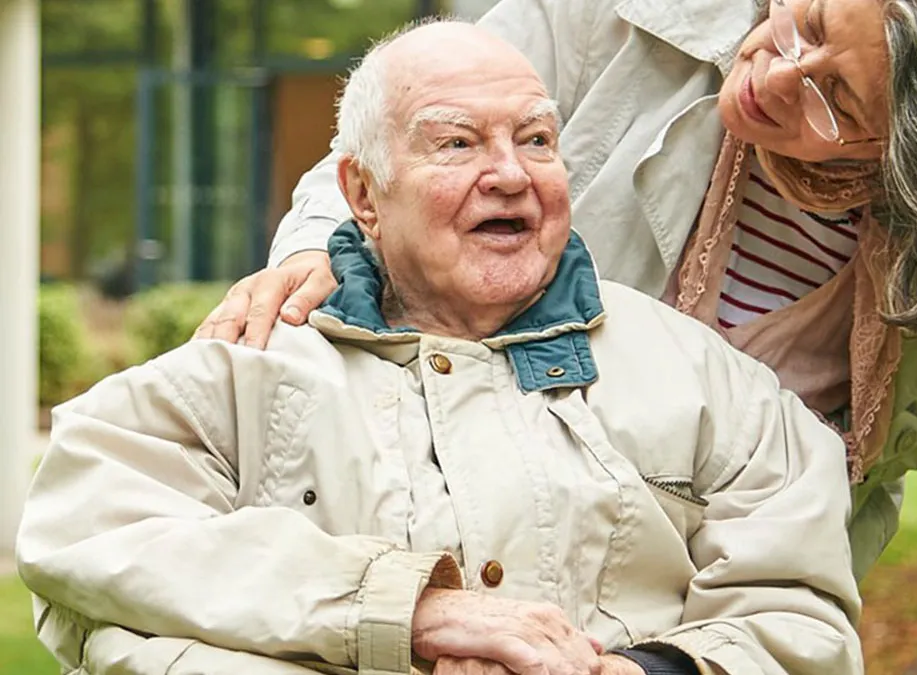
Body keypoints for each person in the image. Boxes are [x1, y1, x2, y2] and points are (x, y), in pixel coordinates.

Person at [17, 21, 863, 675]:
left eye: (536, 139)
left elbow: (799, 615)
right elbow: (84, 549)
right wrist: (405, 614)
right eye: (457, 142)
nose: (510, 173)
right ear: (362, 192)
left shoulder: (709, 381)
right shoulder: (255, 358)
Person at [196, 0, 917, 579]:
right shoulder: (615, 15)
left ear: (911, 158)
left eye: (836, 100)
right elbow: (405, 123)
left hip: (718, 572)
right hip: (515, 493)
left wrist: (815, 450)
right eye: (806, 22)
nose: (775, 75)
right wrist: (318, 248)